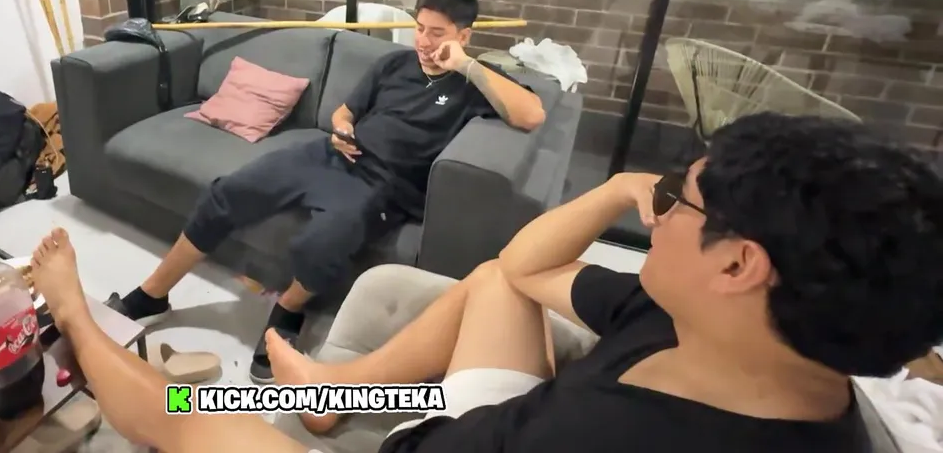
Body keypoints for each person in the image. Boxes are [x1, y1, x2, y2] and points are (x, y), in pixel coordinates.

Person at [259, 112, 943, 452]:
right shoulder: (712, 326)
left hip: (465, 435)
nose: (657, 213)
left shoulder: (607, 435)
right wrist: (616, 187)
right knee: (497, 278)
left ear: (737, 265)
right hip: (526, 409)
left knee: (205, 425)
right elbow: (525, 267)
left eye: (676, 197)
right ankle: (333, 393)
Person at [105, 0, 545, 383]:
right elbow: (344, 112)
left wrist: (465, 65)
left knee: (322, 242)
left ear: (464, 35)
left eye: (437, 33)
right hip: (330, 155)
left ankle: (287, 312)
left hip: (384, 184)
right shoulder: (394, 63)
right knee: (227, 192)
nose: (424, 42)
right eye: (419, 29)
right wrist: (340, 128)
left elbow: (532, 115)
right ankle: (152, 295)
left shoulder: (474, 83)